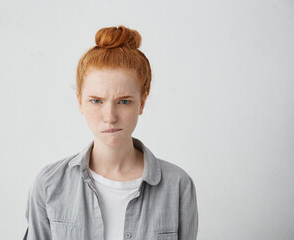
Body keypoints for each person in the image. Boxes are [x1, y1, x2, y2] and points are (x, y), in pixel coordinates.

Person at [24, 25, 198, 240]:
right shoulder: (49, 184)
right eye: (96, 101)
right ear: (79, 101)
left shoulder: (178, 185)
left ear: (142, 102)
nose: (110, 116)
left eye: (124, 101)